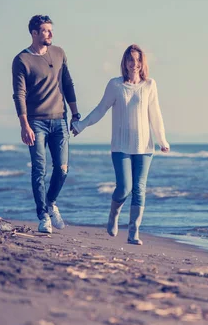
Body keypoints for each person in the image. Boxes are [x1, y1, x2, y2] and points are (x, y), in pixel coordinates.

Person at [71, 44, 170, 245]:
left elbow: (155, 115)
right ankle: (114, 215)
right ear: (124, 63)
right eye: (130, 60)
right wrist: (81, 125)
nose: (134, 64)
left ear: (143, 63)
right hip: (120, 147)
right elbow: (101, 109)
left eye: (138, 60)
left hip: (145, 147)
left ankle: (134, 232)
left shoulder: (150, 85)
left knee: (139, 189)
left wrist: (162, 139)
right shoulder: (115, 85)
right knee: (124, 188)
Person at [12, 15, 81, 234]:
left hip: (60, 120)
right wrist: (24, 125)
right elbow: (19, 94)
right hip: (36, 123)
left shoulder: (59, 53)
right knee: (39, 170)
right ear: (34, 33)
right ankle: (43, 216)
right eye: (45, 30)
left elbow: (68, 83)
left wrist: (75, 113)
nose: (50, 34)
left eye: (51, 30)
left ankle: (50, 203)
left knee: (62, 169)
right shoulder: (22, 60)